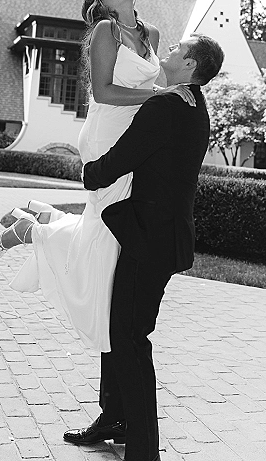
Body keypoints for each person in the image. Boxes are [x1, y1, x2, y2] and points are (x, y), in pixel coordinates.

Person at [0, 0, 194, 353]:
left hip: (136, 137)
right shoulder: (106, 30)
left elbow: (171, 82)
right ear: (102, 6)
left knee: (108, 227)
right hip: (106, 133)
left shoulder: (151, 33)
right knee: (104, 234)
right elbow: (103, 92)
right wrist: (159, 93)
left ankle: (43, 216)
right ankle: (29, 231)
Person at [63, 34, 224, 461]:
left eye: (177, 50)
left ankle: (142, 450)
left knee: (129, 338)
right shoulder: (192, 104)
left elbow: (120, 159)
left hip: (149, 240)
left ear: (189, 66)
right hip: (162, 235)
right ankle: (114, 417)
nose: (167, 51)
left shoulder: (165, 107)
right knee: (124, 330)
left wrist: (89, 173)